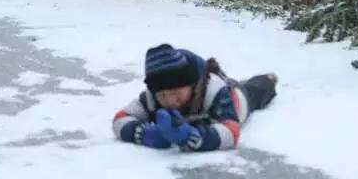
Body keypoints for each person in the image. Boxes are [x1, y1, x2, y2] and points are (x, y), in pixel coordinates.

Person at [113, 44, 278, 151]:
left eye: (176, 93)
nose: (170, 101)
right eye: (163, 95)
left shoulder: (215, 92)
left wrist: (191, 137)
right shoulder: (151, 97)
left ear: (192, 85)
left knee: (255, 90)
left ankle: (268, 80)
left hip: (238, 100)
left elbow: (231, 131)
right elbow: (120, 119)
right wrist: (142, 134)